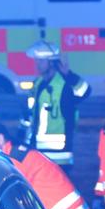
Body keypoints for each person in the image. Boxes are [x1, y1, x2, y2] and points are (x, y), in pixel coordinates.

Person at [25, 40, 90, 168]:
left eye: (41, 61)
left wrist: (69, 75)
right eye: (36, 60)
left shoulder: (65, 84)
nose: (37, 64)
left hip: (60, 155)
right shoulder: (37, 83)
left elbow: (85, 92)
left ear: (52, 62)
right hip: (38, 151)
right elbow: (32, 115)